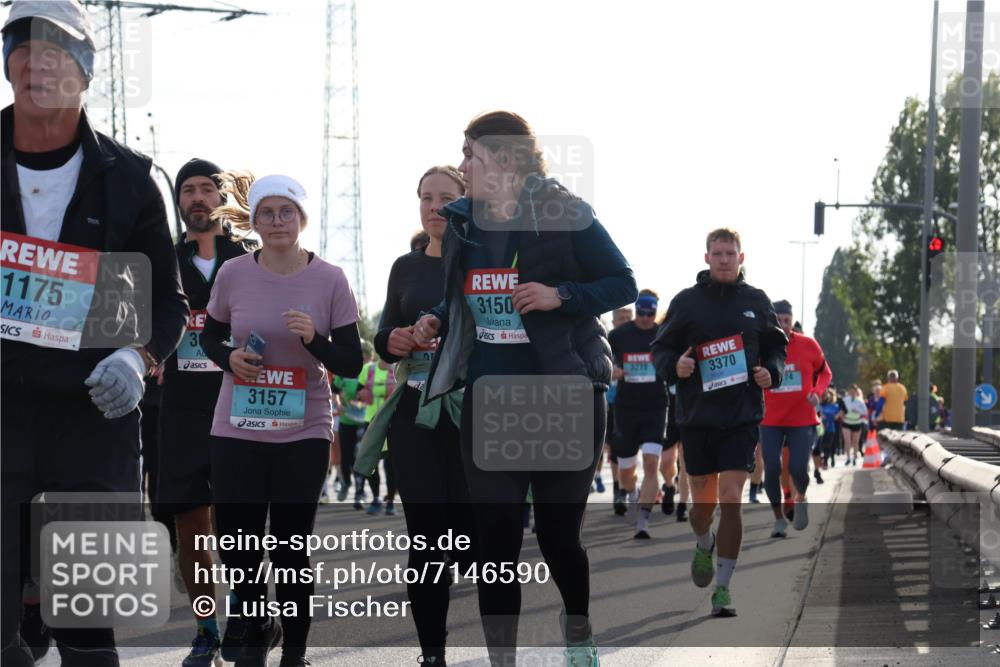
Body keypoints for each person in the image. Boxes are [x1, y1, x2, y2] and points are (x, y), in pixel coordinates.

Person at [412, 110, 637, 666]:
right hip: (492, 399)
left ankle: (579, 634)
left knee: (559, 538)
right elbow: (468, 294)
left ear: (505, 159)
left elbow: (623, 282)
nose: (463, 166)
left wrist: (563, 295)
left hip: (565, 395)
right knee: (496, 542)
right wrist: (436, 318)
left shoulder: (565, 213)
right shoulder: (464, 223)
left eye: (470, 154)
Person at [1, 2, 189, 664]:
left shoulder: (131, 180)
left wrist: (137, 357)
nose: (37, 65)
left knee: (88, 625)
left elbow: (164, 302)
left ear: (85, 69)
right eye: (22, 50)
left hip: (93, 421)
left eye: (55, 52)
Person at [200, 172, 363, 667]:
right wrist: (229, 358)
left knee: (290, 545)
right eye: (267, 213)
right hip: (238, 424)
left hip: (303, 428)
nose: (277, 221)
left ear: (301, 219)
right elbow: (210, 336)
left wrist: (314, 339)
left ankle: (294, 652)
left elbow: (351, 363)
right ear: (254, 221)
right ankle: (256, 626)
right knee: (236, 541)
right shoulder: (233, 273)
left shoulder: (330, 279)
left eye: (286, 212)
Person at [354, 165, 478, 666]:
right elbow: (383, 337)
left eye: (446, 198)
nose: (435, 207)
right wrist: (396, 339)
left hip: (471, 411)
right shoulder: (405, 267)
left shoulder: (482, 261)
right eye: (426, 197)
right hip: (416, 411)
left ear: (466, 203)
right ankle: (432, 654)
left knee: (469, 537)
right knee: (425, 537)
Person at [651, 227, 786, 617]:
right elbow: (661, 347)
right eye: (718, 254)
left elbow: (777, 346)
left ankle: (723, 589)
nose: (724, 260)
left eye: (731, 254)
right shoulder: (687, 302)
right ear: (707, 258)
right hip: (697, 416)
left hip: (741, 416)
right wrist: (675, 365)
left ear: (741, 258)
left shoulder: (756, 301)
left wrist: (772, 372)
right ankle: (703, 542)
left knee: (731, 498)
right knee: (701, 505)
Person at [158, 158, 254, 667]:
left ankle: (243, 613)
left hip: (242, 403)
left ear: (223, 197)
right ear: (178, 201)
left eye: (207, 189)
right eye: (187, 190)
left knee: (239, 522)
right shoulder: (163, 260)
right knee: (190, 525)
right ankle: (205, 630)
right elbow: (131, 317)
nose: (197, 198)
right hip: (181, 408)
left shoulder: (252, 257)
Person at [759, 299, 831, 536]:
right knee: (772, 468)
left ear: (792, 321)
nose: (783, 324)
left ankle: (800, 497)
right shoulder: (762, 345)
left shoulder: (808, 344)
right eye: (778, 320)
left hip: (802, 419)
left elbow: (825, 373)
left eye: (787, 320)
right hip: (770, 420)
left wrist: (817, 392)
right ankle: (779, 518)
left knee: (799, 468)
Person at [608, 290, 669, 539]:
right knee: (626, 472)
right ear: (636, 311)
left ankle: (644, 519)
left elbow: (674, 358)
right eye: (641, 313)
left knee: (652, 463)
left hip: (655, 406)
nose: (645, 318)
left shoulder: (663, 334)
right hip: (626, 408)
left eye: (650, 314)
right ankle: (632, 493)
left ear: (655, 312)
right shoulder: (619, 335)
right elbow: (602, 357)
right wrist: (612, 369)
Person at [606, 306, 633, 513]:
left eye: (628, 318)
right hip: (613, 402)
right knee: (617, 449)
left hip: (640, 402)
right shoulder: (607, 342)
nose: (625, 321)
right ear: (614, 321)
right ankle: (619, 489)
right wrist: (610, 372)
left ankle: (631, 486)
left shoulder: (640, 340)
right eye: (621, 318)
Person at [840, 384, 867, 466]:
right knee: (847, 441)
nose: (852, 393)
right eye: (851, 391)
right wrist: (842, 414)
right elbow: (841, 409)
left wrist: (858, 411)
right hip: (846, 422)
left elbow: (865, 412)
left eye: (854, 391)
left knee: (855, 442)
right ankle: (848, 458)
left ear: (856, 392)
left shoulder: (860, 401)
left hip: (856, 422)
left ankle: (855, 458)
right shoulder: (845, 400)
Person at [818, 389, 840, 469]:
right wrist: (820, 416)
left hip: (831, 428)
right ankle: (823, 460)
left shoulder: (835, 406)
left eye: (829, 395)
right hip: (821, 429)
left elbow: (839, 415)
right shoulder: (820, 405)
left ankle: (827, 461)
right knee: (822, 445)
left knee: (828, 445)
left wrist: (837, 416)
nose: (827, 396)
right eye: (825, 395)